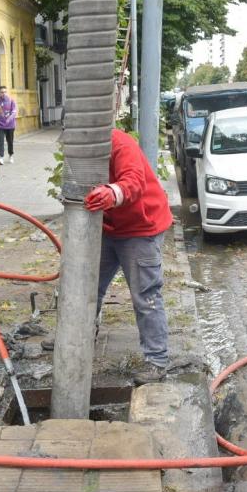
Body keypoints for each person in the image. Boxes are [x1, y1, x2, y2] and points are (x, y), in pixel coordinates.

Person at [85, 128, 174, 385]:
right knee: (87, 286)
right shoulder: (80, 148)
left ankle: (156, 361)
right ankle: (80, 336)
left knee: (145, 295)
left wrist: (113, 193)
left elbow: (134, 180)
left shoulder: (120, 144)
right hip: (108, 225)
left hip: (140, 228)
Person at [0, 86, 17, 165]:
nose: (4, 93)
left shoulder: (11, 100)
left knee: (10, 141)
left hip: (10, 125)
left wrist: (9, 119)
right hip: (0, 125)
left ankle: (11, 155)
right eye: (2, 92)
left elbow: (14, 112)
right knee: (0, 141)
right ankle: (0, 157)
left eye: (5, 92)